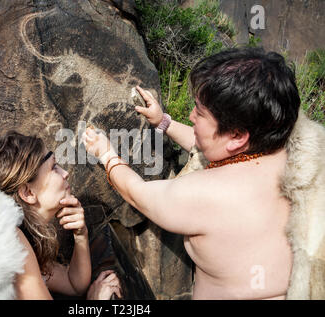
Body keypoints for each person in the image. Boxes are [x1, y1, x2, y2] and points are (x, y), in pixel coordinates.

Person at [82, 47, 301, 300]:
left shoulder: (209, 194)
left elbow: (139, 194)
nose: (191, 115)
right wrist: (163, 122)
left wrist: (106, 154)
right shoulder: (288, 155)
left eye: (200, 111)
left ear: (238, 135)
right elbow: (217, 148)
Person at [0, 131, 122, 300]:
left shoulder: (26, 238)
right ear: (28, 192)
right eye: (54, 168)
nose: (65, 173)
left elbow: (73, 284)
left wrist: (81, 235)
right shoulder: (7, 239)